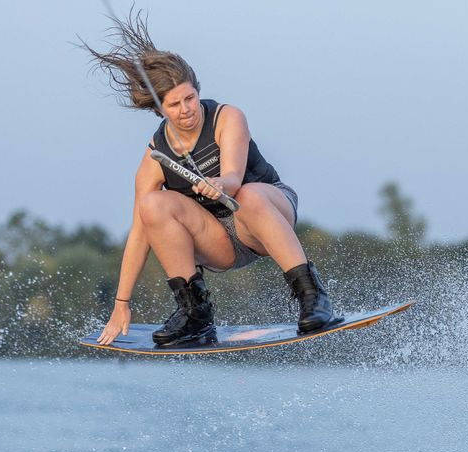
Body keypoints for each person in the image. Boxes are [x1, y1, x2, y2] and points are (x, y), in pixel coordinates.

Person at [84, 13, 335, 347]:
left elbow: (232, 178)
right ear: (160, 110)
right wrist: (121, 304)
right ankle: (195, 315)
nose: (186, 109)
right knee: (152, 205)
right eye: (174, 104)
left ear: (197, 90)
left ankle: (312, 296)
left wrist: (221, 183)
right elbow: (141, 233)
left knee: (247, 197)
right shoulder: (155, 156)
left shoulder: (226, 118)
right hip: (220, 241)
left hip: (264, 215)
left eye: (190, 98)